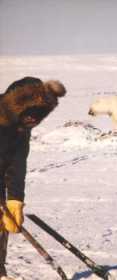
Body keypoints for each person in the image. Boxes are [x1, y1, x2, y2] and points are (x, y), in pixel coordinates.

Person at [0, 76, 66, 280]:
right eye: (30, 114)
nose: (33, 120)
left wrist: (15, 199)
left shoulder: (21, 128)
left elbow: (17, 164)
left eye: (39, 115)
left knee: (2, 222)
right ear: (16, 107)